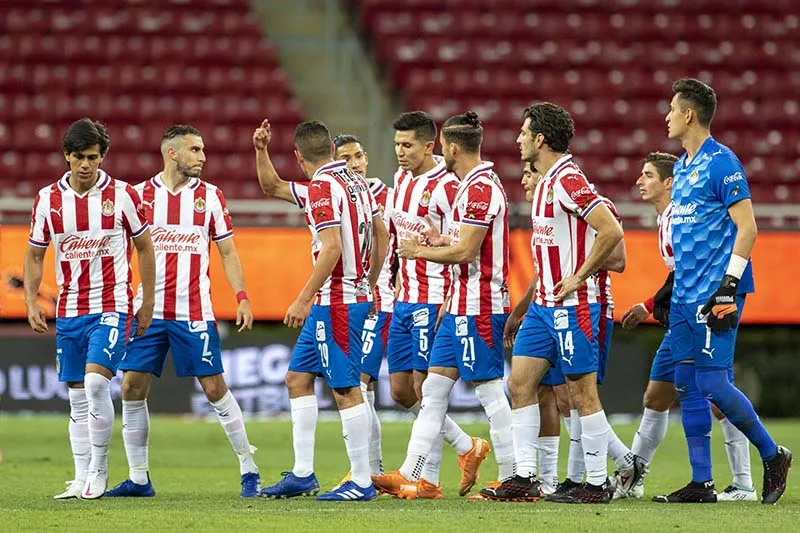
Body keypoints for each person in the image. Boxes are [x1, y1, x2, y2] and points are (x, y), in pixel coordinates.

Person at [104, 125, 261, 499]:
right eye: (195, 150)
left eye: (203, 149)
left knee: (213, 387)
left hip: (193, 311)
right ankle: (139, 478)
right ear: (171, 153)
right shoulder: (139, 196)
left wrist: (241, 295)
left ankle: (249, 468)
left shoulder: (211, 197)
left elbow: (227, 252)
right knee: (130, 387)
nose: (202, 156)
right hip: (148, 313)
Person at [654, 78, 791, 504]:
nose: (667, 117)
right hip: (685, 293)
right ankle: (702, 482)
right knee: (685, 380)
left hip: (716, 290)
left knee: (712, 381)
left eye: (672, 110)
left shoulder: (722, 162)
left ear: (689, 115)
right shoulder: (681, 166)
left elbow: (748, 227)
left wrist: (729, 286)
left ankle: (773, 454)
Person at [372, 111, 515, 500]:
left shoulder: (466, 186)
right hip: (448, 302)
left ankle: (515, 475)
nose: (400, 153)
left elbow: (469, 247)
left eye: (407, 145)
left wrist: (422, 250)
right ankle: (424, 472)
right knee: (424, 390)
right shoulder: (425, 182)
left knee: (484, 388)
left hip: (469, 299)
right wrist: (430, 245)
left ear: (442, 147)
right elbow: (453, 238)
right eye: (397, 145)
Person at [491, 103, 626, 504]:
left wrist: (580, 275)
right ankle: (525, 476)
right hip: (543, 307)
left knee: (579, 392)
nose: (517, 139)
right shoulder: (546, 181)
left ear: (540, 139)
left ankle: (598, 483)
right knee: (519, 383)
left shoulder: (567, 178)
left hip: (574, 304)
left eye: (523, 132)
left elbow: (612, 229)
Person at [253, 119, 388, 501]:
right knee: (297, 378)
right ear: (330, 149)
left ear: (297, 156)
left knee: (346, 389)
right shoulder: (355, 181)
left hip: (337, 302)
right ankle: (302, 473)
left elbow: (331, 248)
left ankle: (362, 481)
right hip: (344, 297)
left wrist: (302, 297)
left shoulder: (321, 189)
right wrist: (371, 281)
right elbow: (380, 234)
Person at [24, 118, 155, 499]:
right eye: (79, 157)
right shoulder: (48, 200)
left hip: (112, 305)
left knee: (98, 383)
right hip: (69, 309)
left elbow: (145, 248)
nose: (86, 165)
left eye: (93, 157)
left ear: (103, 157)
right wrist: (32, 300)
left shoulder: (124, 195)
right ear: (66, 155)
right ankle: (80, 476)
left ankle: (99, 470)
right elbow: (35, 255)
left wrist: (146, 300)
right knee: (77, 395)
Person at [614, 152, 756, 501]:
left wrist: (648, 306)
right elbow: (678, 274)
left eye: (647, 175)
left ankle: (743, 482)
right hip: (682, 313)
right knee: (656, 396)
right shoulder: (666, 219)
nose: (639, 181)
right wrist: (650, 305)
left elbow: (691, 269)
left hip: (702, 309)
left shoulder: (681, 217)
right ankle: (633, 479)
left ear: (669, 183)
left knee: (716, 394)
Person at [332, 134, 395, 478]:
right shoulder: (337, 194)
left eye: (358, 156)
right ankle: (371, 470)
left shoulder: (386, 196)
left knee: (359, 381)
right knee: (394, 391)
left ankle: (368, 470)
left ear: (366, 157)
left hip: (381, 301)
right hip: (355, 303)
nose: (354, 163)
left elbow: (397, 243)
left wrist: (376, 283)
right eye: (346, 158)